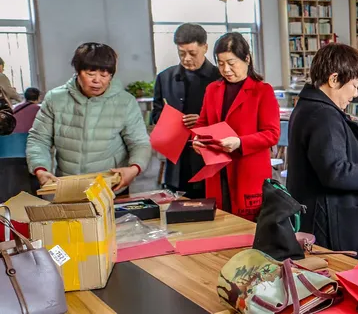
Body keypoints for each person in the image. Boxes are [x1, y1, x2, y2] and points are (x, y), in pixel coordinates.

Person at [286, 43, 358, 259]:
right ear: (334, 79)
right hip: (330, 222)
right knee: (343, 269)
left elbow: (329, 143)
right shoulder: (324, 115)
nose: (355, 93)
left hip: (315, 212)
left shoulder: (310, 106)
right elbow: (336, 172)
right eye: (354, 85)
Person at [26, 43, 151, 191]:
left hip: (111, 187)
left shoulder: (125, 102)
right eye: (90, 74)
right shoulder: (55, 99)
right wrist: (40, 168)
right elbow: (39, 139)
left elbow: (139, 143)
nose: (97, 80)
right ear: (78, 71)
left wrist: (134, 168)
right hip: (69, 186)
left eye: (104, 75)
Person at [192, 33, 279, 221]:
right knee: (219, 221)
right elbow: (202, 123)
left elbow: (272, 134)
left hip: (247, 171)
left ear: (246, 59)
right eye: (221, 63)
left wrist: (240, 142)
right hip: (217, 170)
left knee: (249, 226)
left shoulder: (262, 91)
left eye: (231, 63)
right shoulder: (212, 90)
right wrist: (197, 140)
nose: (226, 69)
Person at [152, 23, 220, 199]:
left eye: (192, 53)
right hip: (177, 163)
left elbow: (230, 119)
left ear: (205, 48)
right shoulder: (165, 78)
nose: (187, 59)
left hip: (210, 161)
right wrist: (170, 120)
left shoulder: (219, 78)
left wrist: (203, 120)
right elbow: (155, 114)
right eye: (181, 53)